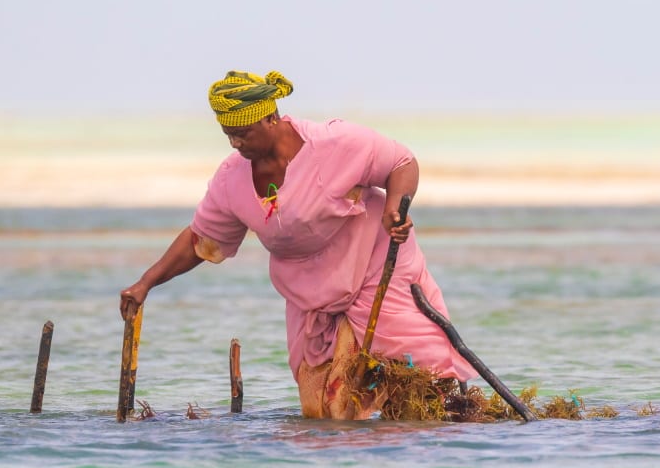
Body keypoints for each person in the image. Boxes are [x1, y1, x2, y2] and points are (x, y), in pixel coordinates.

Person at [119, 70, 476, 419]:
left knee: (411, 381)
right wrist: (146, 282)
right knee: (322, 411)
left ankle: (419, 448)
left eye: (243, 134)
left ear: (270, 118)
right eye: (229, 136)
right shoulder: (232, 179)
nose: (235, 144)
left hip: (375, 265)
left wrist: (395, 207)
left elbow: (401, 162)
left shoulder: (335, 144)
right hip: (311, 293)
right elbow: (201, 239)